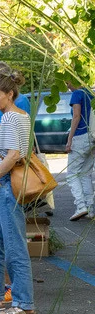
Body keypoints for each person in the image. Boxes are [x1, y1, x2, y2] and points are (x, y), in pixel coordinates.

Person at [0, 69, 38, 314]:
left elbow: (14, 154)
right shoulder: (16, 116)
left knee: (14, 246)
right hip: (6, 183)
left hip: (6, 184)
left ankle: (25, 304)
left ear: (9, 94)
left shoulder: (12, 118)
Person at [64, 80, 93, 221]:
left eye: (67, 82)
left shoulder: (77, 94)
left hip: (80, 136)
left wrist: (69, 139)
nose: (67, 86)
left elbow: (76, 116)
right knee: (85, 173)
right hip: (92, 137)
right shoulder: (91, 93)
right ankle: (91, 208)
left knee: (71, 174)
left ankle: (80, 206)